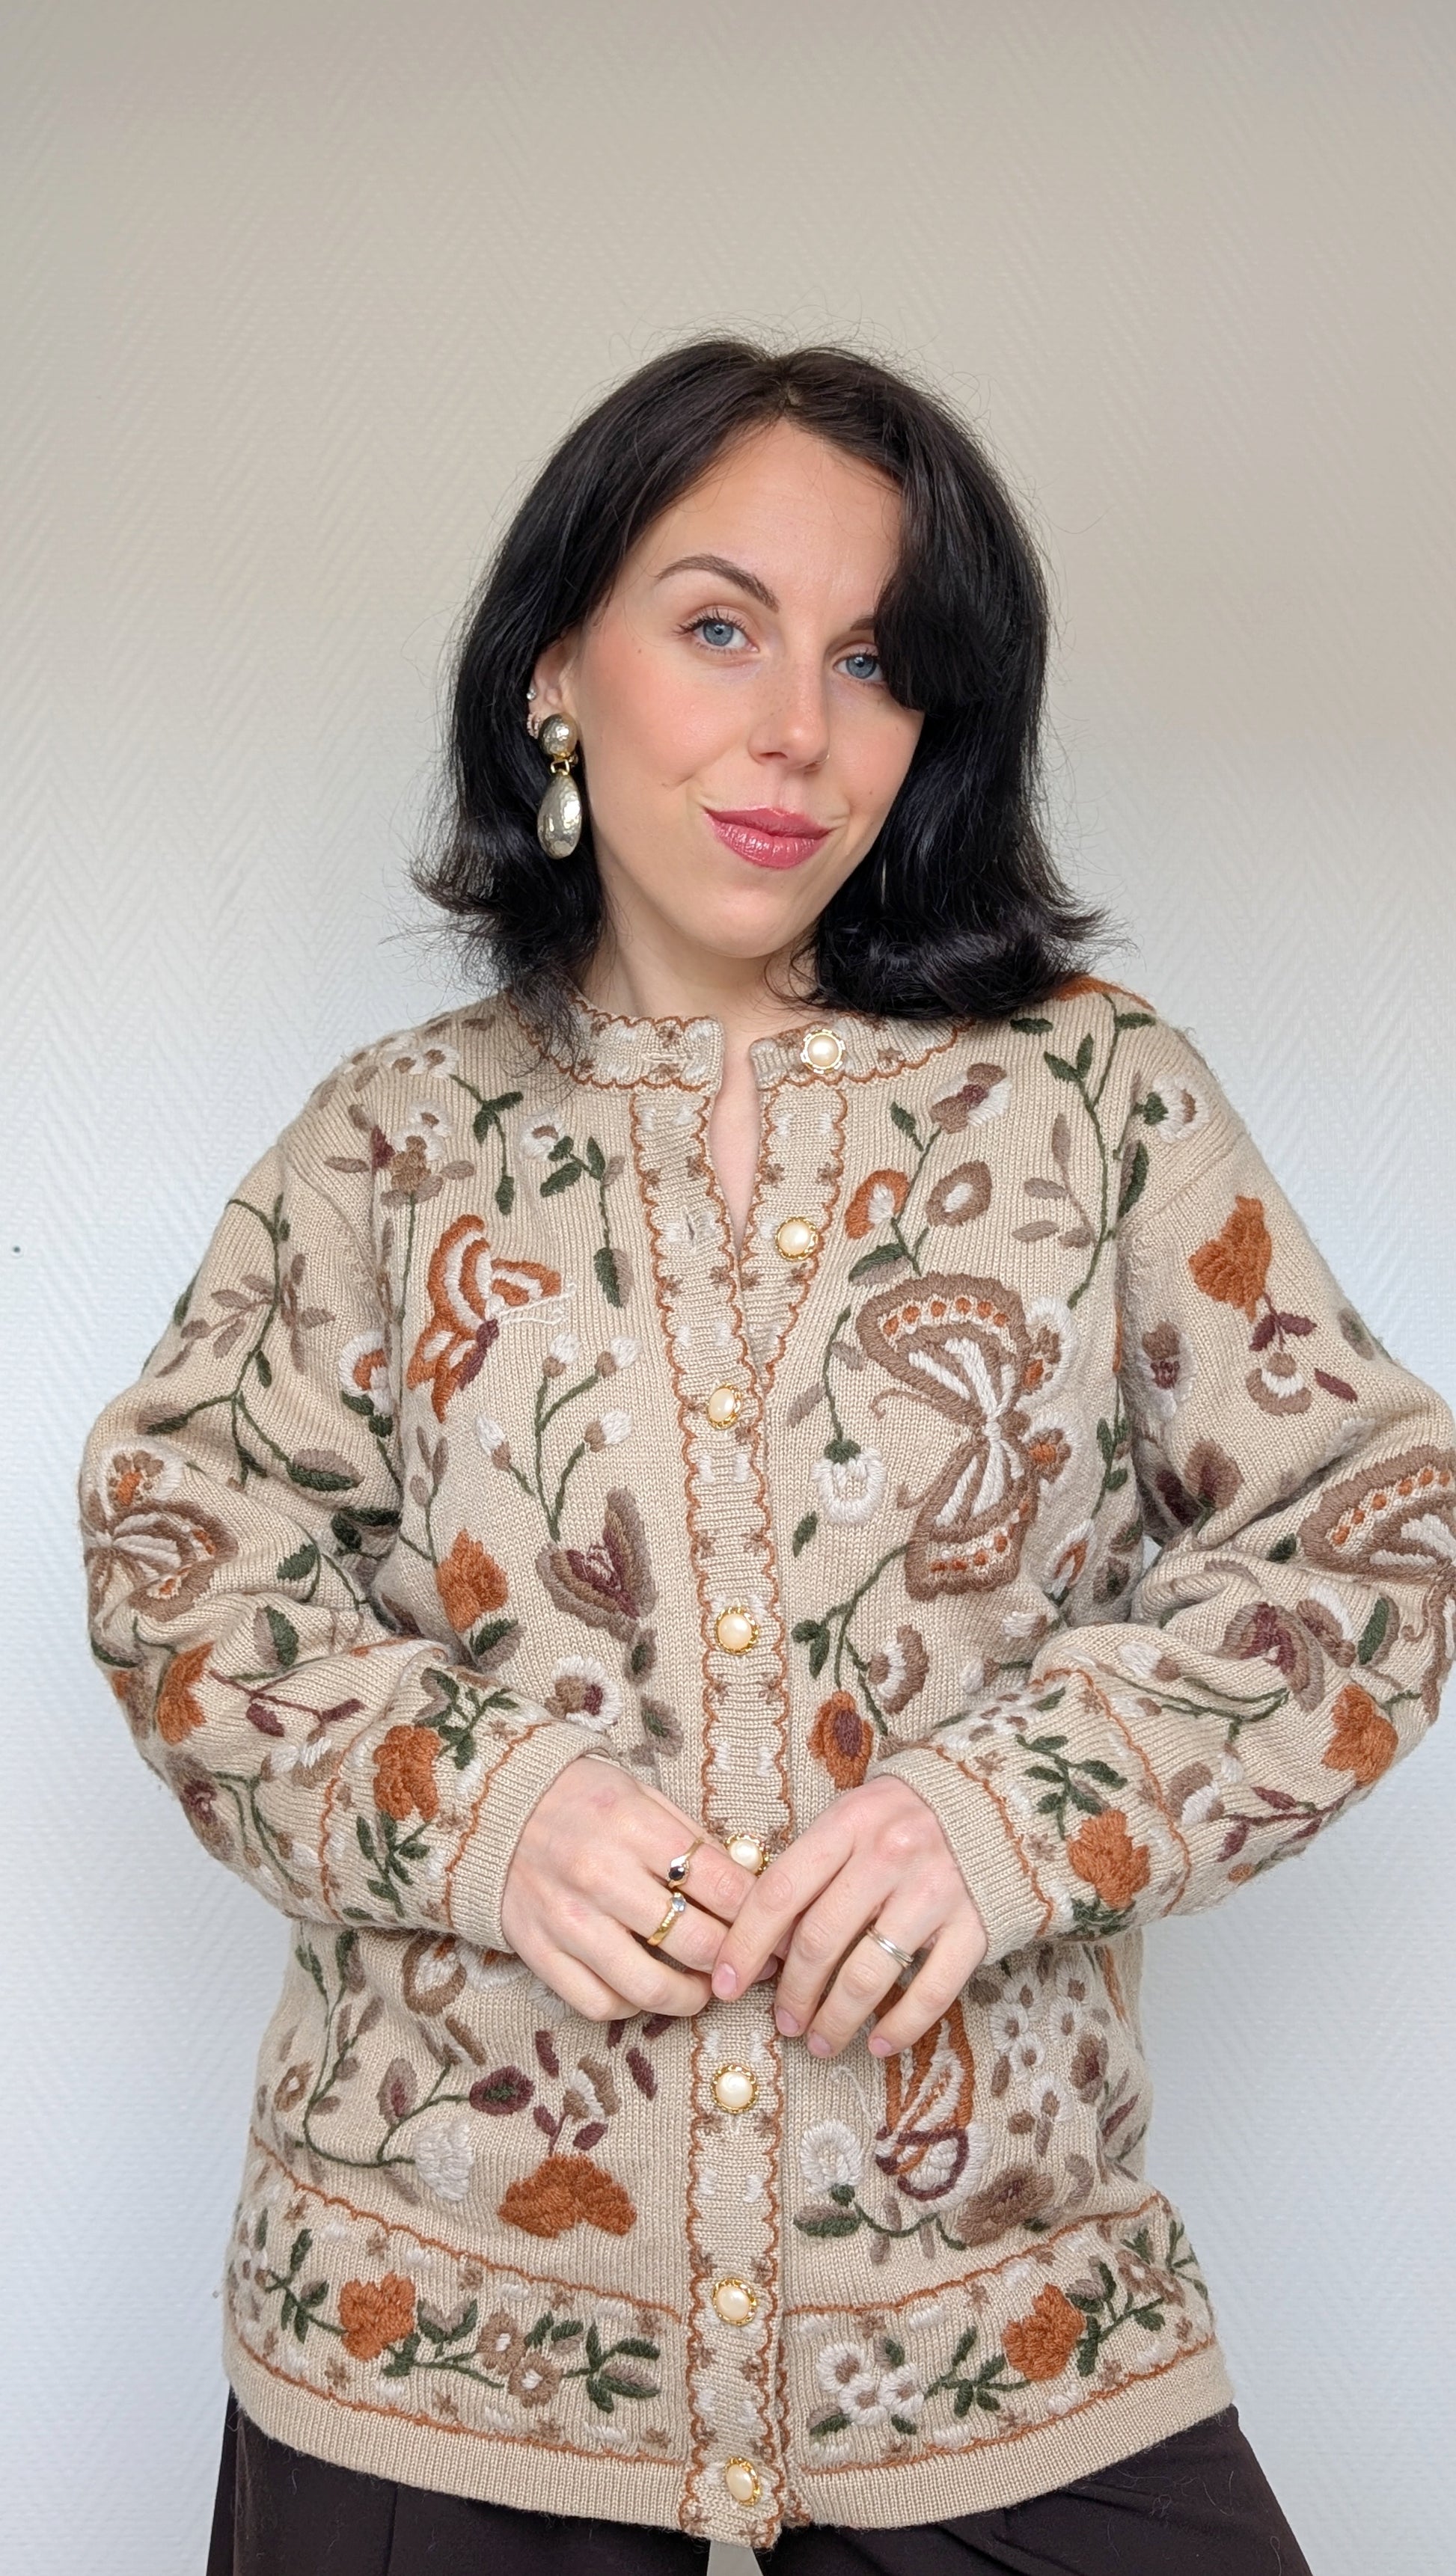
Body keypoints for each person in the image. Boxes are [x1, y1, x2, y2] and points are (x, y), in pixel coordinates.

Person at [78, 339, 1455, 2576]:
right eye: (719, 625)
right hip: (430, 2345)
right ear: (556, 672)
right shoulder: (392, 1145)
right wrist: (482, 1804)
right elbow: (181, 1558)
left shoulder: (1092, 1101)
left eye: (875, 661)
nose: (799, 729)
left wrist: (1014, 1808)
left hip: (998, 2327)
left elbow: (1374, 1539)